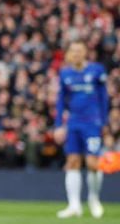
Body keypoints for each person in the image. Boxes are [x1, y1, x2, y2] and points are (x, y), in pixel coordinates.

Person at [54, 40, 108, 219]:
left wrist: (105, 122)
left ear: (85, 52)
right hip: (73, 122)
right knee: (73, 162)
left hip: (92, 123)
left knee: (93, 163)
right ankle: (74, 205)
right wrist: (59, 125)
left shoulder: (97, 70)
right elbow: (61, 101)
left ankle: (94, 199)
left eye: (79, 50)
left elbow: (103, 98)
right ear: (69, 53)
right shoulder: (65, 73)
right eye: (73, 51)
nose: (76, 54)